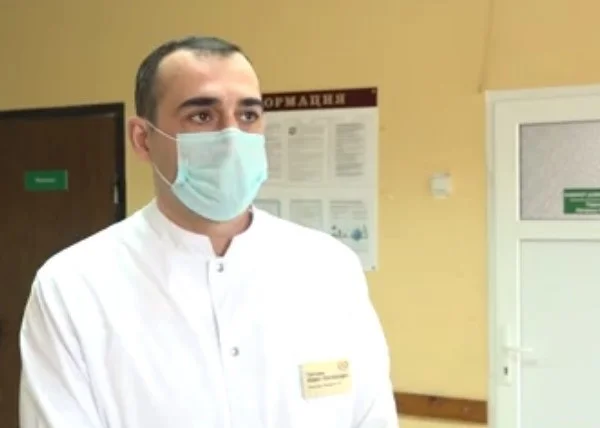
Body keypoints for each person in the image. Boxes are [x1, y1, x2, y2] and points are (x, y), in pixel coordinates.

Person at [19, 35, 398, 428]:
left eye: (248, 115)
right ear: (143, 140)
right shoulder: (73, 287)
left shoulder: (329, 267)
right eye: (202, 116)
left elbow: (372, 417)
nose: (231, 137)